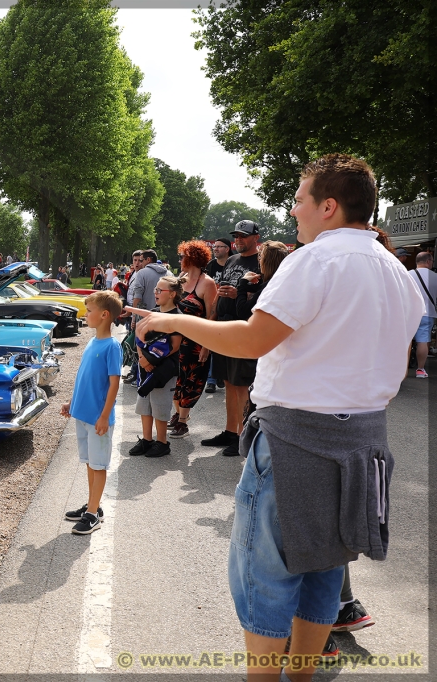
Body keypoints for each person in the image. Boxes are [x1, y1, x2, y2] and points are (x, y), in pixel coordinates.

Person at [132, 153, 422, 682]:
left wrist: (174, 319)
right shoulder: (396, 271)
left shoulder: (313, 260)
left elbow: (253, 337)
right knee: (324, 567)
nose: (293, 211)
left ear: (328, 206)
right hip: (363, 440)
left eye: (299, 199)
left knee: (265, 574)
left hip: (297, 437)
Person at [61, 290, 123, 533]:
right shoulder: (91, 342)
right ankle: (93, 506)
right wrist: (71, 403)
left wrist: (105, 416)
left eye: (89, 311)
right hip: (84, 415)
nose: (85, 315)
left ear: (104, 315)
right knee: (89, 463)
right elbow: (82, 378)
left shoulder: (112, 346)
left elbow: (114, 383)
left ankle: (93, 515)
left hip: (99, 419)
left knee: (98, 465)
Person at [200, 222, 261, 456]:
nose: (239, 240)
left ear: (256, 237)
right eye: (236, 236)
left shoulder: (259, 263)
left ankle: (243, 435)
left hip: (242, 326)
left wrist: (239, 294)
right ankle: (230, 431)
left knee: (241, 384)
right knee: (228, 382)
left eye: (244, 236)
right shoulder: (233, 260)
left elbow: (263, 293)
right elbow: (218, 294)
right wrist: (211, 326)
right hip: (224, 325)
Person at [167, 241, 218, 439]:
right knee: (175, 380)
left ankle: (182, 421)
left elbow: (211, 316)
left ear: (192, 259)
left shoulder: (207, 283)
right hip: (176, 340)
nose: (179, 260)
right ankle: (178, 414)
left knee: (191, 381)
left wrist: (207, 346)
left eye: (182, 257)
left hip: (196, 342)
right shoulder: (180, 279)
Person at [129, 274, 183, 458]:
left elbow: (174, 346)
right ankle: (146, 440)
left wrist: (151, 361)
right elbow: (139, 335)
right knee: (144, 404)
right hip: (145, 366)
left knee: (160, 406)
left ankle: (162, 442)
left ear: (172, 294)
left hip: (164, 370)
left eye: (160, 290)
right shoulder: (152, 312)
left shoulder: (177, 317)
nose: (156, 292)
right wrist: (143, 359)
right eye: (155, 289)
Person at [124, 250, 168, 383]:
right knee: (159, 349)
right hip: (163, 319)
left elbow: (137, 299)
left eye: (141, 260)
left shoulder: (142, 273)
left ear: (148, 260)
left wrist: (133, 318)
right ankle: (152, 377)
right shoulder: (168, 273)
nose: (139, 263)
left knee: (141, 348)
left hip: (144, 319)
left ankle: (140, 377)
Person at [203, 238, 233, 394]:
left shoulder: (234, 264)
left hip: (229, 310)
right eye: (214, 247)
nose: (215, 249)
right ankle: (211, 380)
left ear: (227, 249)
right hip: (212, 308)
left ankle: (223, 375)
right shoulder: (210, 266)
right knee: (212, 345)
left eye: (219, 247)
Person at [409, 251, 435, 378]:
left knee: (406, 340)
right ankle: (420, 370)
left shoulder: (406, 275)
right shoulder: (435, 277)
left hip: (408, 313)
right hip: (427, 313)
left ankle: (401, 368)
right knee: (422, 341)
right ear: (428, 261)